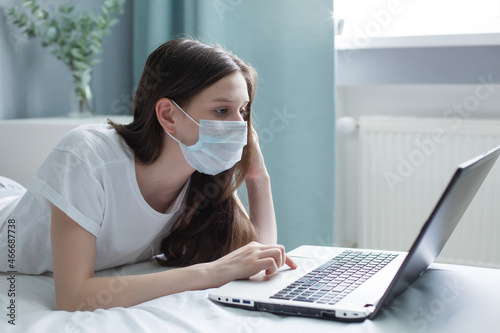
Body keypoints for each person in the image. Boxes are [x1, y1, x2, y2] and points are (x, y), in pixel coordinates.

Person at [0, 38, 297, 311]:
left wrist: (258, 177)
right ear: (168, 115)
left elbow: (259, 257)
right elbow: (74, 296)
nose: (239, 126)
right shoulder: (87, 154)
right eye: (222, 111)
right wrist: (212, 272)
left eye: (243, 112)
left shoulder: (202, 169)